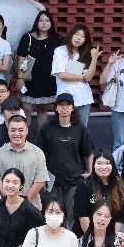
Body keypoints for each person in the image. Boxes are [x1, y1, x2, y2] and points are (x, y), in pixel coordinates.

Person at [37, 93, 94, 224]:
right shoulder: (47, 127)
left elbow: (89, 152)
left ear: (72, 108)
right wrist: (42, 176)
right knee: (52, 215)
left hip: (74, 179)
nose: (64, 108)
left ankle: (71, 238)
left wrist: (90, 171)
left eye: (67, 105)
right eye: (61, 105)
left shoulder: (80, 127)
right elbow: (39, 154)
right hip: (52, 180)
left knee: (72, 215)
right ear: (56, 108)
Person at [16, 10, 63, 128]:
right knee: (26, 108)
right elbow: (21, 58)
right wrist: (20, 78)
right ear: (36, 22)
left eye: (47, 20)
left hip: (48, 80)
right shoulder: (27, 37)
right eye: (41, 20)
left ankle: (41, 137)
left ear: (51, 23)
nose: (44, 23)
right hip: (29, 79)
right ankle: (24, 136)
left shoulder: (56, 38)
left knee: (42, 110)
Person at [0, 115, 49, 204]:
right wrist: (11, 200)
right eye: (13, 130)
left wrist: (23, 203)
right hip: (5, 206)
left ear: (27, 131)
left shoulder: (37, 153)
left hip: (31, 206)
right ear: (8, 131)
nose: (17, 134)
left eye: (21, 130)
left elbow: (40, 181)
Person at [51, 24, 100, 126]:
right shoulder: (60, 51)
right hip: (64, 99)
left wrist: (94, 58)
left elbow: (89, 77)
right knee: (64, 128)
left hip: (83, 98)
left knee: (82, 129)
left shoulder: (86, 54)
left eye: (82, 36)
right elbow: (62, 75)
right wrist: (82, 77)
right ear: (71, 35)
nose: (79, 38)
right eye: (77, 34)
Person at [74, 151, 124, 234]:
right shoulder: (85, 185)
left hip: (110, 236)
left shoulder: (119, 187)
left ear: (113, 166)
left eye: (107, 163)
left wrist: (112, 237)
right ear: (93, 165)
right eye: (99, 163)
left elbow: (120, 218)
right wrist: (92, 237)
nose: (103, 167)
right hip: (86, 235)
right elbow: (82, 216)